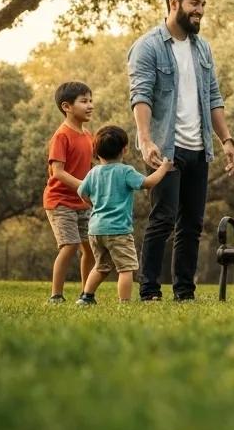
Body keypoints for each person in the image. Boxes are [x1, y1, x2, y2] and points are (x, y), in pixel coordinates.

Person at [127, 0, 234, 302]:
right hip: (166, 148)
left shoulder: (202, 48)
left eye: (203, 4)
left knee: (191, 225)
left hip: (199, 147)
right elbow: (141, 97)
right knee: (162, 219)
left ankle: (184, 292)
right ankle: (149, 290)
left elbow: (213, 97)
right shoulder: (148, 47)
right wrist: (146, 140)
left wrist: (227, 140)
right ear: (174, 2)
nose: (200, 10)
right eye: (194, 3)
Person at [76, 126, 172, 306]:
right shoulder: (125, 171)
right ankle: (125, 302)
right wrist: (164, 168)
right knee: (126, 268)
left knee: (101, 266)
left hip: (95, 230)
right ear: (125, 149)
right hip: (118, 230)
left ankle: (86, 296)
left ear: (96, 151)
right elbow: (148, 183)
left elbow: (81, 192)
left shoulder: (93, 172)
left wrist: (94, 204)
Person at [42, 81, 96, 303]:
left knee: (90, 247)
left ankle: (86, 295)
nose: (90, 105)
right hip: (60, 201)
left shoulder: (88, 136)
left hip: (82, 202)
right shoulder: (62, 136)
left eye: (91, 100)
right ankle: (56, 295)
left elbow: (91, 167)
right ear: (67, 106)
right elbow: (58, 172)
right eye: (84, 101)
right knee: (69, 245)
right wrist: (85, 188)